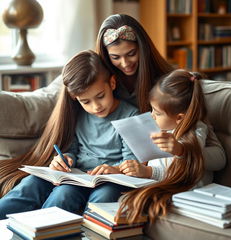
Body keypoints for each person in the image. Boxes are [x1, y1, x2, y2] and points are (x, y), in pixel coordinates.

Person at [0, 50, 139, 219]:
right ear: (75, 98)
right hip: (77, 175)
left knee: (97, 198)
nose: (95, 107)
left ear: (112, 83)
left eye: (100, 96)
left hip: (111, 180)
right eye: (86, 101)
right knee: (33, 185)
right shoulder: (78, 114)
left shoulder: (131, 116)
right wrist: (65, 158)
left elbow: (132, 162)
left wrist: (115, 169)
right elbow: (72, 148)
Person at [96, 13, 226, 184]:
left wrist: (182, 150)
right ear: (106, 57)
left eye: (131, 53)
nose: (125, 63)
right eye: (115, 57)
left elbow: (218, 155)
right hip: (124, 171)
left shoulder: (169, 87)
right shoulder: (103, 88)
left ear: (143, 48)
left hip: (153, 175)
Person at [117, 69, 210, 223]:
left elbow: (183, 168)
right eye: (152, 109)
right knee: (124, 199)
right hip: (157, 182)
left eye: (158, 113)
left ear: (180, 117)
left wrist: (178, 149)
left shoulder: (196, 131)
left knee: (136, 203)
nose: (152, 115)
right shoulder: (161, 127)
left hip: (184, 189)